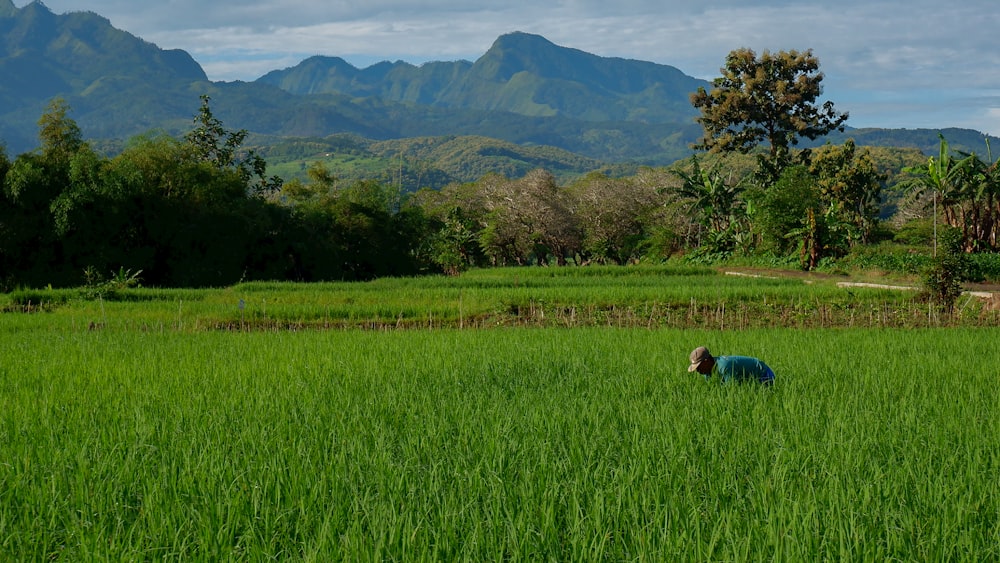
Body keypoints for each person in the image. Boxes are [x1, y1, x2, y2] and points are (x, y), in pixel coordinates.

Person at [687, 346, 775, 385]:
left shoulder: (725, 365)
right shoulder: (706, 371)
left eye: (698, 366)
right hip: (748, 379)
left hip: (764, 375)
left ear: (706, 361)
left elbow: (733, 389)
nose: (697, 370)